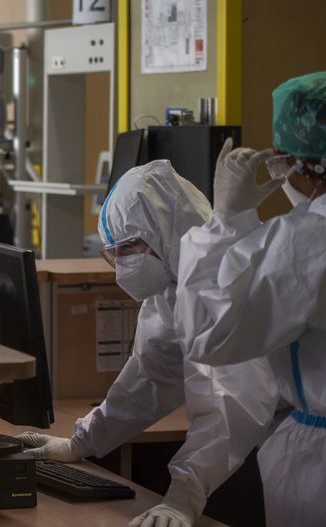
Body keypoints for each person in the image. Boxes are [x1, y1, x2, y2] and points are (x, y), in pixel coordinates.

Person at [18, 161, 278, 527]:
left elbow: (234, 405)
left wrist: (184, 495)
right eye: (114, 252)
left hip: (292, 436)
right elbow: (151, 376)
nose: (121, 263)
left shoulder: (224, 280)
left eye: (129, 247)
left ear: (165, 231)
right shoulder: (173, 283)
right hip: (268, 448)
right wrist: (81, 441)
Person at [176, 71, 326, 526]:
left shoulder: (306, 241)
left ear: (306, 164)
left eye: (280, 161)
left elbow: (208, 334)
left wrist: (224, 222)